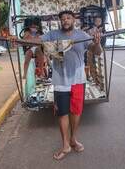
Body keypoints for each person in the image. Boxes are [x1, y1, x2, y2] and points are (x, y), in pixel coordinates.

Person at [39, 10, 101, 160]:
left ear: (74, 20)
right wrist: (21, 39)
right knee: (62, 113)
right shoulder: (52, 34)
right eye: (62, 19)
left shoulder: (82, 35)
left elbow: (96, 51)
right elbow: (37, 41)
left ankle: (73, 139)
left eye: (68, 18)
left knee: (76, 111)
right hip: (60, 81)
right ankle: (65, 145)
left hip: (78, 80)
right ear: (60, 21)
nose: (65, 20)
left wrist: (97, 43)